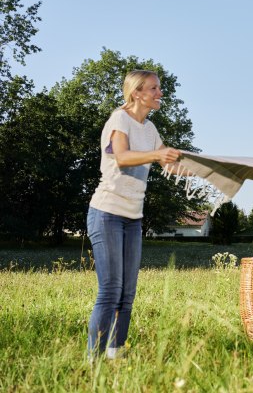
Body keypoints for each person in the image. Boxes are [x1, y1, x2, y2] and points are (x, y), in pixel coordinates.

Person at [86, 70, 181, 359]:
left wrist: (214, 169)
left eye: (159, 88)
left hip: (133, 218)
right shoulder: (120, 119)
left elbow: (172, 166)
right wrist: (157, 155)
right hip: (107, 213)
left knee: (127, 293)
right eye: (153, 89)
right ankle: (94, 358)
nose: (159, 94)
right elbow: (123, 156)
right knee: (110, 290)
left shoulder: (150, 129)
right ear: (137, 92)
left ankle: (115, 355)